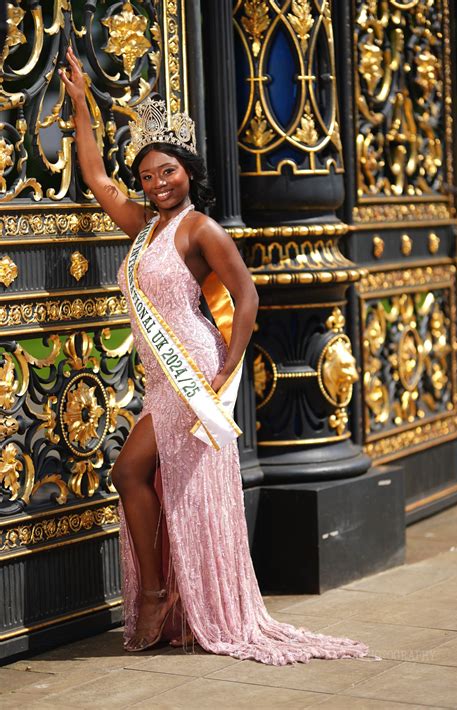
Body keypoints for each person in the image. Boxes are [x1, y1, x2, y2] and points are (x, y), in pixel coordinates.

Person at [60, 47, 370, 665]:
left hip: (192, 370)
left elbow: (246, 296)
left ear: (188, 173)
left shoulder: (201, 228)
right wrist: (81, 105)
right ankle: (166, 595)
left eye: (166, 172)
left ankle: (160, 595)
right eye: (147, 176)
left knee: (136, 474)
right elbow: (97, 179)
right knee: (149, 480)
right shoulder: (144, 228)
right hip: (159, 376)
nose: (156, 183)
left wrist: (227, 367)